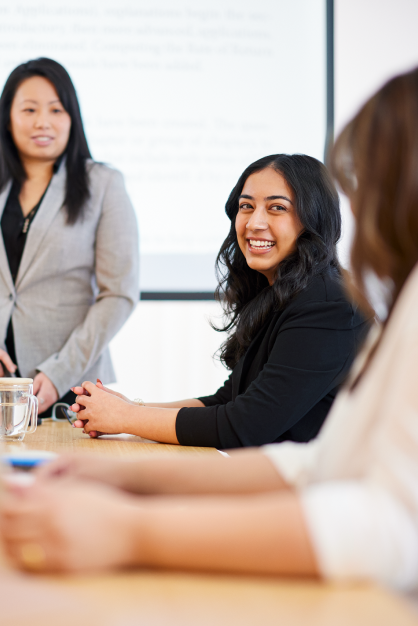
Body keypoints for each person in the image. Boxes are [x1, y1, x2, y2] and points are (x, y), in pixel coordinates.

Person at [0, 60, 418, 626]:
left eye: (371, 181)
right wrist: (121, 477)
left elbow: (395, 525)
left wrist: (128, 530)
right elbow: (323, 464)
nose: (364, 206)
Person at [68, 154, 368, 448]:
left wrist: (128, 417)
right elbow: (228, 400)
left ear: (313, 219)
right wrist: (132, 408)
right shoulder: (282, 293)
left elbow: (245, 425)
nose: (254, 223)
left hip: (311, 492)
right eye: (246, 207)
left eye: (277, 208)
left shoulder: (329, 305)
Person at [0, 58, 139, 415]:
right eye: (29, 109)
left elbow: (118, 294)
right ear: (7, 118)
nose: (43, 121)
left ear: (72, 118)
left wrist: (60, 372)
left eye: (56, 109)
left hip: (72, 389)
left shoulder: (103, 185)